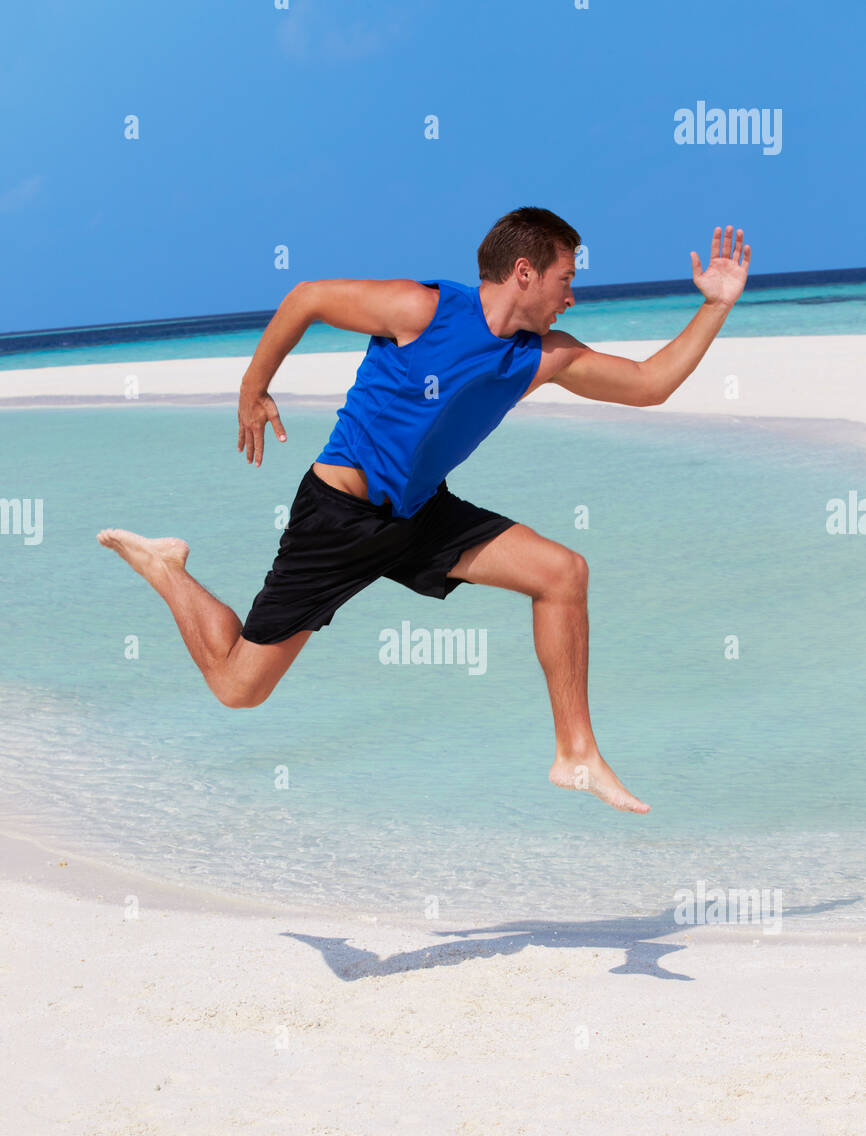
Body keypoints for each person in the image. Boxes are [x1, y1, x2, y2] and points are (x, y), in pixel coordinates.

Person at [98, 207, 750, 812]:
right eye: (565, 278)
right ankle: (168, 569)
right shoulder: (422, 308)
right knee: (239, 687)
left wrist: (716, 305)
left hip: (419, 517)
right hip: (338, 519)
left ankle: (575, 752)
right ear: (524, 273)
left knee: (562, 572)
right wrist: (252, 387)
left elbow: (649, 384)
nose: (571, 295)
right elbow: (308, 298)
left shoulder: (545, 356)